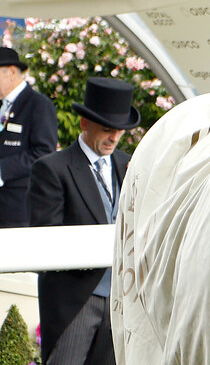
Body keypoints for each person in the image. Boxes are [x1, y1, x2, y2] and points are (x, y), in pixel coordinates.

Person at [28, 77, 141, 365]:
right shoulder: (52, 169)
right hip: (74, 301)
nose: (113, 138)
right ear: (83, 124)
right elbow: (46, 238)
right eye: (106, 129)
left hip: (120, 298)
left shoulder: (131, 165)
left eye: (119, 131)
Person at [0, 47, 58, 227]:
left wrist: (2, 170)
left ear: (11, 72)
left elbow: (43, 153)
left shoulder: (38, 105)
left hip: (18, 207)